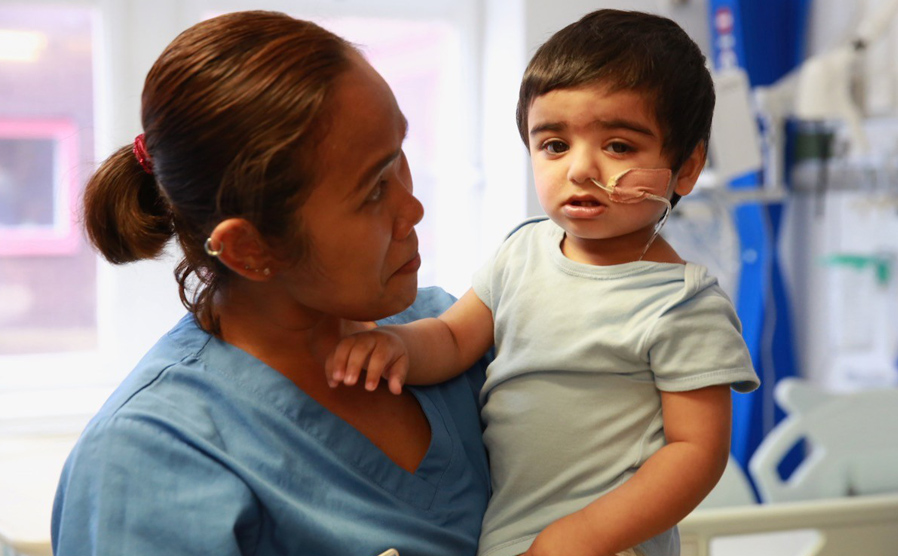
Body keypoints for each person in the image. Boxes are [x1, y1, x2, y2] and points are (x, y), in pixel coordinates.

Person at [52, 10, 491, 556]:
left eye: (398, 155)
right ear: (250, 249)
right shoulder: (150, 456)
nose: (413, 208)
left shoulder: (457, 335)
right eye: (374, 190)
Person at [325, 10, 760, 556]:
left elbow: (696, 452)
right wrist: (398, 346)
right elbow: (457, 339)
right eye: (554, 144)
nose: (580, 170)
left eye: (619, 146)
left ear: (688, 168)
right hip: (508, 536)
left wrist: (583, 536)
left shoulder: (681, 303)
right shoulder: (523, 251)